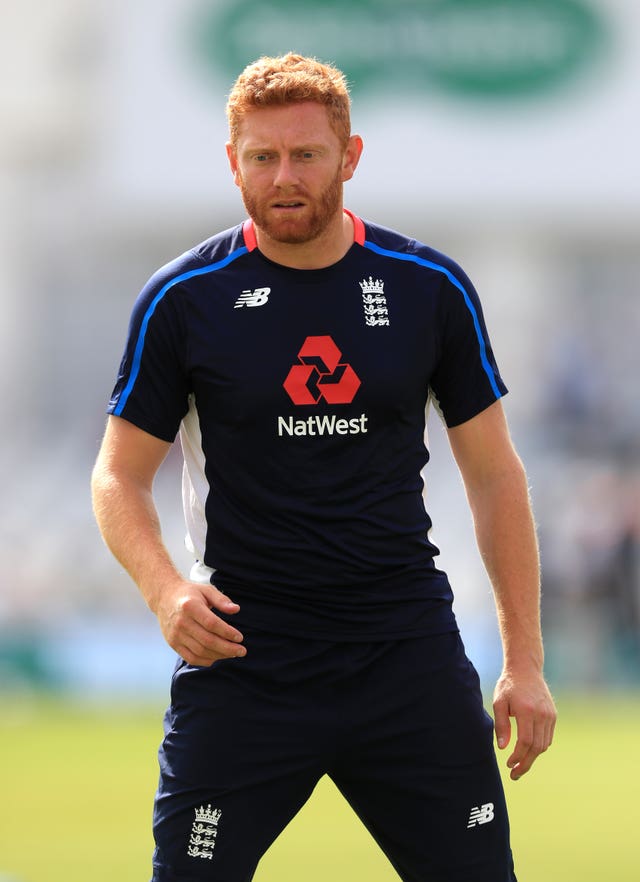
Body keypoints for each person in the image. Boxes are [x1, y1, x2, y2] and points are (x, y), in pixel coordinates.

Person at [91, 52, 556, 882]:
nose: (285, 177)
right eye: (263, 157)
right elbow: (119, 475)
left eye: (307, 154)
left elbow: (496, 477)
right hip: (244, 658)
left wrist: (524, 662)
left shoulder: (428, 287)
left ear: (350, 156)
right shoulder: (182, 298)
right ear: (233, 163)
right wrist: (166, 592)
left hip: (403, 653)